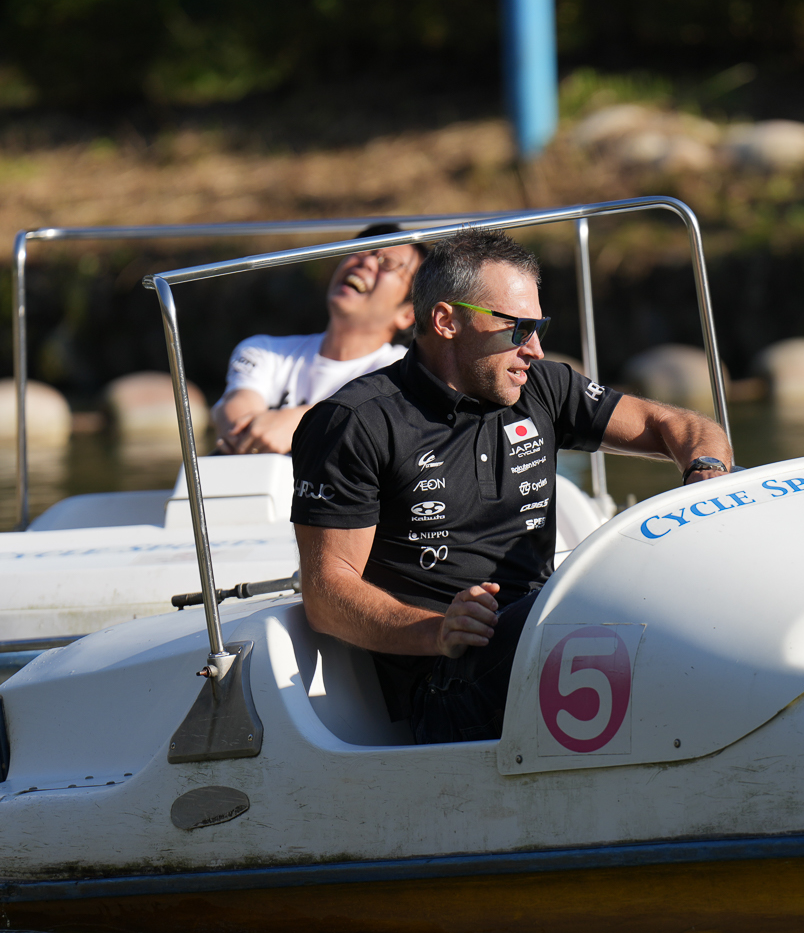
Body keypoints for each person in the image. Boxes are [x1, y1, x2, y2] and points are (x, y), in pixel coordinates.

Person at [288, 228, 732, 743]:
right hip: (445, 683)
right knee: (638, 621)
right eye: (518, 328)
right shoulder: (356, 421)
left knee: (666, 591)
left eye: (539, 325)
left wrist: (707, 475)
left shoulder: (541, 386)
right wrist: (437, 631)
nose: (536, 349)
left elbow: (676, 426)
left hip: (548, 630)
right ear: (446, 321)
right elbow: (325, 595)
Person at [211, 222, 423, 455]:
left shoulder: (407, 374)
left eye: (388, 262)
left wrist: (298, 423)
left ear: (408, 314)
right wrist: (236, 419)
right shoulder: (261, 350)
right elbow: (237, 411)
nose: (367, 261)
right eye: (363, 249)